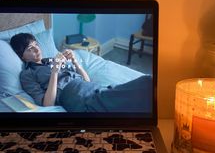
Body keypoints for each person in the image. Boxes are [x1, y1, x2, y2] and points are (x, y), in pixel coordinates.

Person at [10, 33, 152, 113]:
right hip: (76, 97)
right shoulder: (27, 74)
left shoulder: (52, 59)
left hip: (93, 89)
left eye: (36, 44)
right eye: (29, 48)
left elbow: (86, 81)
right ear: (21, 56)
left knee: (143, 88)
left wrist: (75, 62)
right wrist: (54, 73)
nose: (36, 50)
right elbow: (47, 104)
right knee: (145, 85)